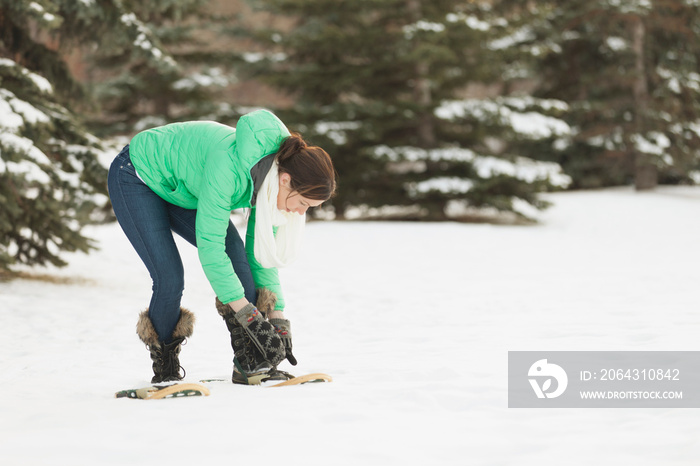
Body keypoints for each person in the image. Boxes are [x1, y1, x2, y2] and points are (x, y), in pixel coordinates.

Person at [107, 109, 336, 384]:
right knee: (169, 277)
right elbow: (211, 246)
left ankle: (249, 361)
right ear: (286, 180)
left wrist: (277, 316)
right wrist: (248, 315)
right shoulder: (229, 167)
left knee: (238, 261)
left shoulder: (273, 183)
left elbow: (259, 255)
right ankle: (165, 369)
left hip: (185, 189)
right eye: (303, 204)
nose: (300, 213)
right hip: (137, 176)